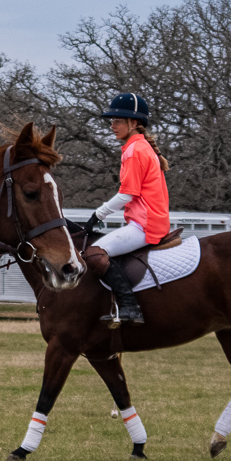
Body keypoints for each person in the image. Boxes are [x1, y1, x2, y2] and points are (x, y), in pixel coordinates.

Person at [90, 93, 171, 324]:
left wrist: (99, 213)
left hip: (145, 225)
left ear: (134, 123)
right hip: (148, 221)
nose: (112, 126)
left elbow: (127, 194)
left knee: (95, 254)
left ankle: (130, 307)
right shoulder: (140, 147)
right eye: (112, 121)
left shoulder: (135, 151)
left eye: (118, 121)